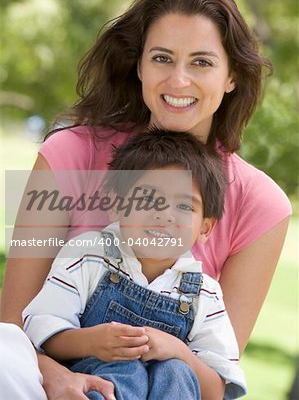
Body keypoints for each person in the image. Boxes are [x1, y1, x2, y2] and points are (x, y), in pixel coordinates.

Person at [1, 0, 291, 400]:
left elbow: (213, 381)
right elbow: (12, 324)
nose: (177, 81)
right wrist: (57, 378)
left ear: (232, 76)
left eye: (202, 62)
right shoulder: (65, 154)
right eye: (161, 58)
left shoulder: (264, 206)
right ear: (138, 65)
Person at [23, 129, 247, 400]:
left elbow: (216, 390)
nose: (164, 215)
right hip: (94, 382)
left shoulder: (205, 294)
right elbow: (41, 329)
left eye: (185, 207)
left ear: (206, 228)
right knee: (126, 370)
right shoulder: (89, 255)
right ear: (116, 205)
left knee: (175, 371)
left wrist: (179, 351)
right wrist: (91, 341)